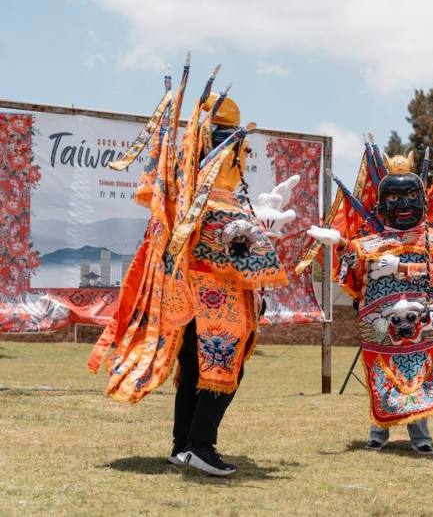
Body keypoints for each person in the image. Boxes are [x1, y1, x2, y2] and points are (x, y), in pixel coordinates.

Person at [88, 61, 298, 476]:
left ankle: (182, 446)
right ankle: (201, 446)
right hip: (214, 309)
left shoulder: (195, 200)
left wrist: (261, 226)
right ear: (226, 154)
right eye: (241, 152)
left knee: (194, 373)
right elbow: (245, 258)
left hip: (190, 305)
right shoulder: (213, 204)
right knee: (221, 372)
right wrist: (262, 237)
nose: (244, 159)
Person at [307, 147, 433, 454]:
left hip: (425, 327)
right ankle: (379, 430)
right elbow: (356, 283)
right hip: (382, 328)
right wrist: (342, 244)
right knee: (383, 378)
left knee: (420, 379)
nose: (403, 205)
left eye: (411, 196)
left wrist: (402, 268)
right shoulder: (369, 243)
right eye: (394, 199)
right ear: (381, 203)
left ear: (423, 199)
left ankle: (420, 433)